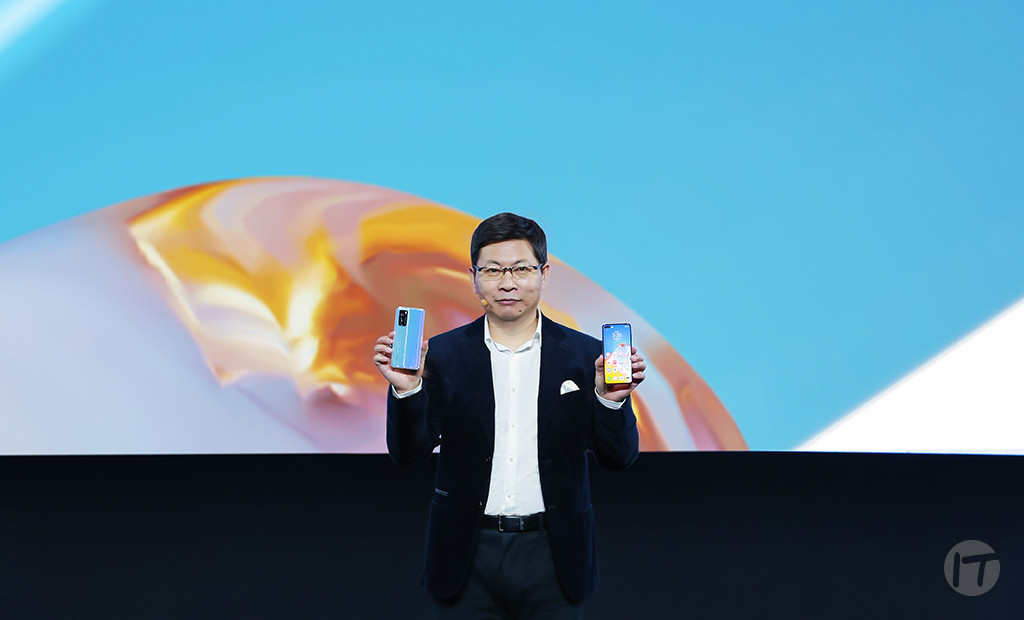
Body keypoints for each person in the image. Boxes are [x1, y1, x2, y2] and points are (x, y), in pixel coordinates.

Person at [372, 213, 645, 619]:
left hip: (554, 553)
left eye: (520, 269)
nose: (507, 283)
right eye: (493, 270)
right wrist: (407, 389)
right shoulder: (441, 356)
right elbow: (408, 453)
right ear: (473, 277)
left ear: (543, 274)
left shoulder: (587, 356)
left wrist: (610, 401)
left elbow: (618, 458)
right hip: (465, 553)